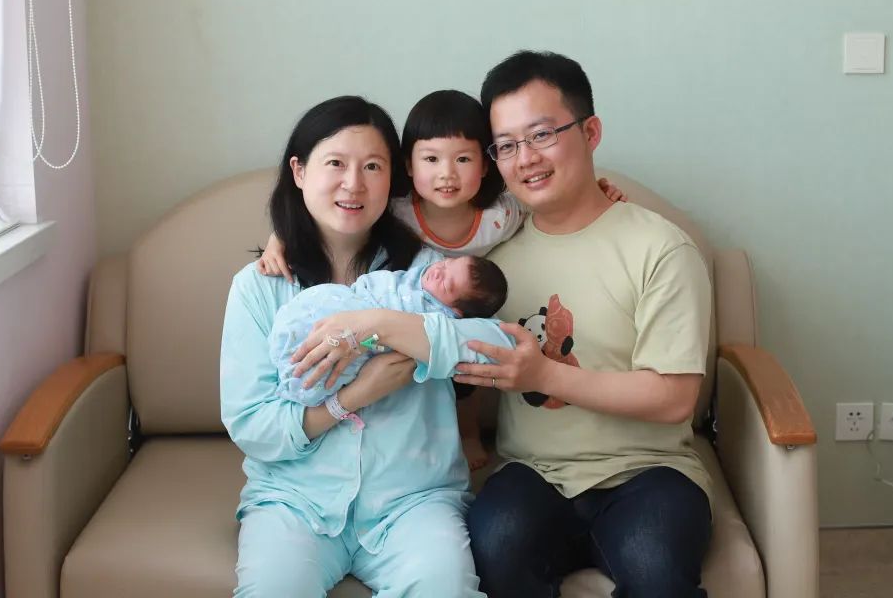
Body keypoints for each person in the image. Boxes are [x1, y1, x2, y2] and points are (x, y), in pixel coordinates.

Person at [219, 95, 512, 598]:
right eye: (336, 163)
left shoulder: (429, 273)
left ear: (392, 179)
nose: (354, 184)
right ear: (299, 171)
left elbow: (493, 346)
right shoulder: (259, 286)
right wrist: (351, 398)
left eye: (373, 167)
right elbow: (253, 426)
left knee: (445, 589)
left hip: (413, 502)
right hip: (295, 502)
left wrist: (375, 325)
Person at [451, 50, 715, 597]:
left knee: (656, 565)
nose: (526, 158)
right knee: (493, 546)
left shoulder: (660, 248)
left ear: (590, 132)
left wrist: (545, 376)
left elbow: (674, 398)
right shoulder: (489, 263)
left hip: (650, 472)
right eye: (506, 145)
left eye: (542, 134)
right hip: (533, 473)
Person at [259, 89, 625, 469]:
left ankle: (468, 434)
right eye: (431, 159)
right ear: (408, 166)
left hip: (468, 297)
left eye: (463, 159)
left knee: (466, 368)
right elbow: (331, 215)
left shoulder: (500, 216)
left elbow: (546, 200)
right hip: (421, 299)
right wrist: (280, 239)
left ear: (485, 165)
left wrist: (596, 191)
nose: (447, 174)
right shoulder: (396, 212)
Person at [273, 255, 508, 409]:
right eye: (446, 264)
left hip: (368, 346)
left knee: (339, 359)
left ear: (455, 312)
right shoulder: (415, 274)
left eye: (447, 284)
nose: (438, 271)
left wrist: (365, 337)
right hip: (350, 301)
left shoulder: (432, 317)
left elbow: (379, 343)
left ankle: (299, 370)